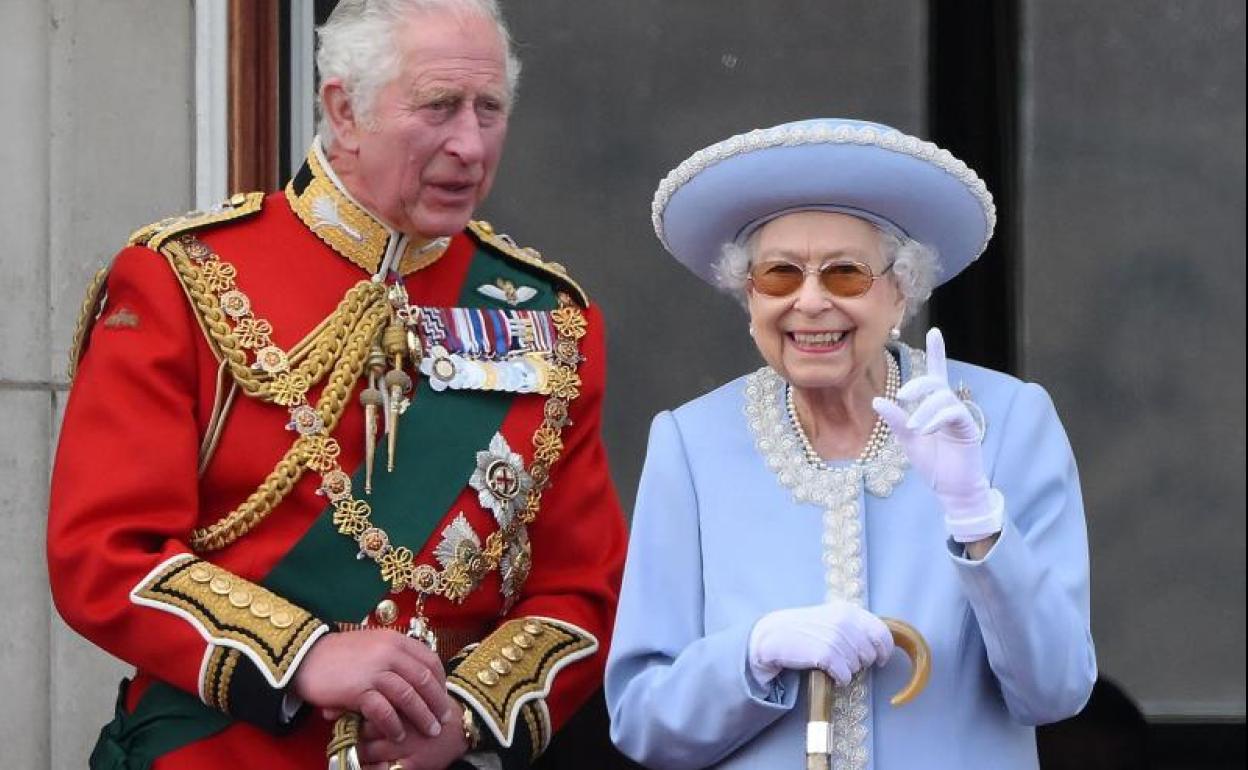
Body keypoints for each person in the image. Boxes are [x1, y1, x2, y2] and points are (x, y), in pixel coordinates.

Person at [48, 1, 627, 768]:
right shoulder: (184, 278)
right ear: (344, 110)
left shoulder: (549, 318)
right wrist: (302, 657)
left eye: (489, 109)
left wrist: (463, 715)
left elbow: (584, 589)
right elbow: (104, 552)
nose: (470, 144)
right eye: (439, 106)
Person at [605, 118, 1096, 769]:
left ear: (901, 292)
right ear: (749, 298)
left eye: (845, 275)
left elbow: (1057, 689)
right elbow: (642, 720)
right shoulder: (690, 444)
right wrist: (752, 653)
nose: (810, 302)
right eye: (780, 275)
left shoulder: (1008, 422)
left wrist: (978, 519)